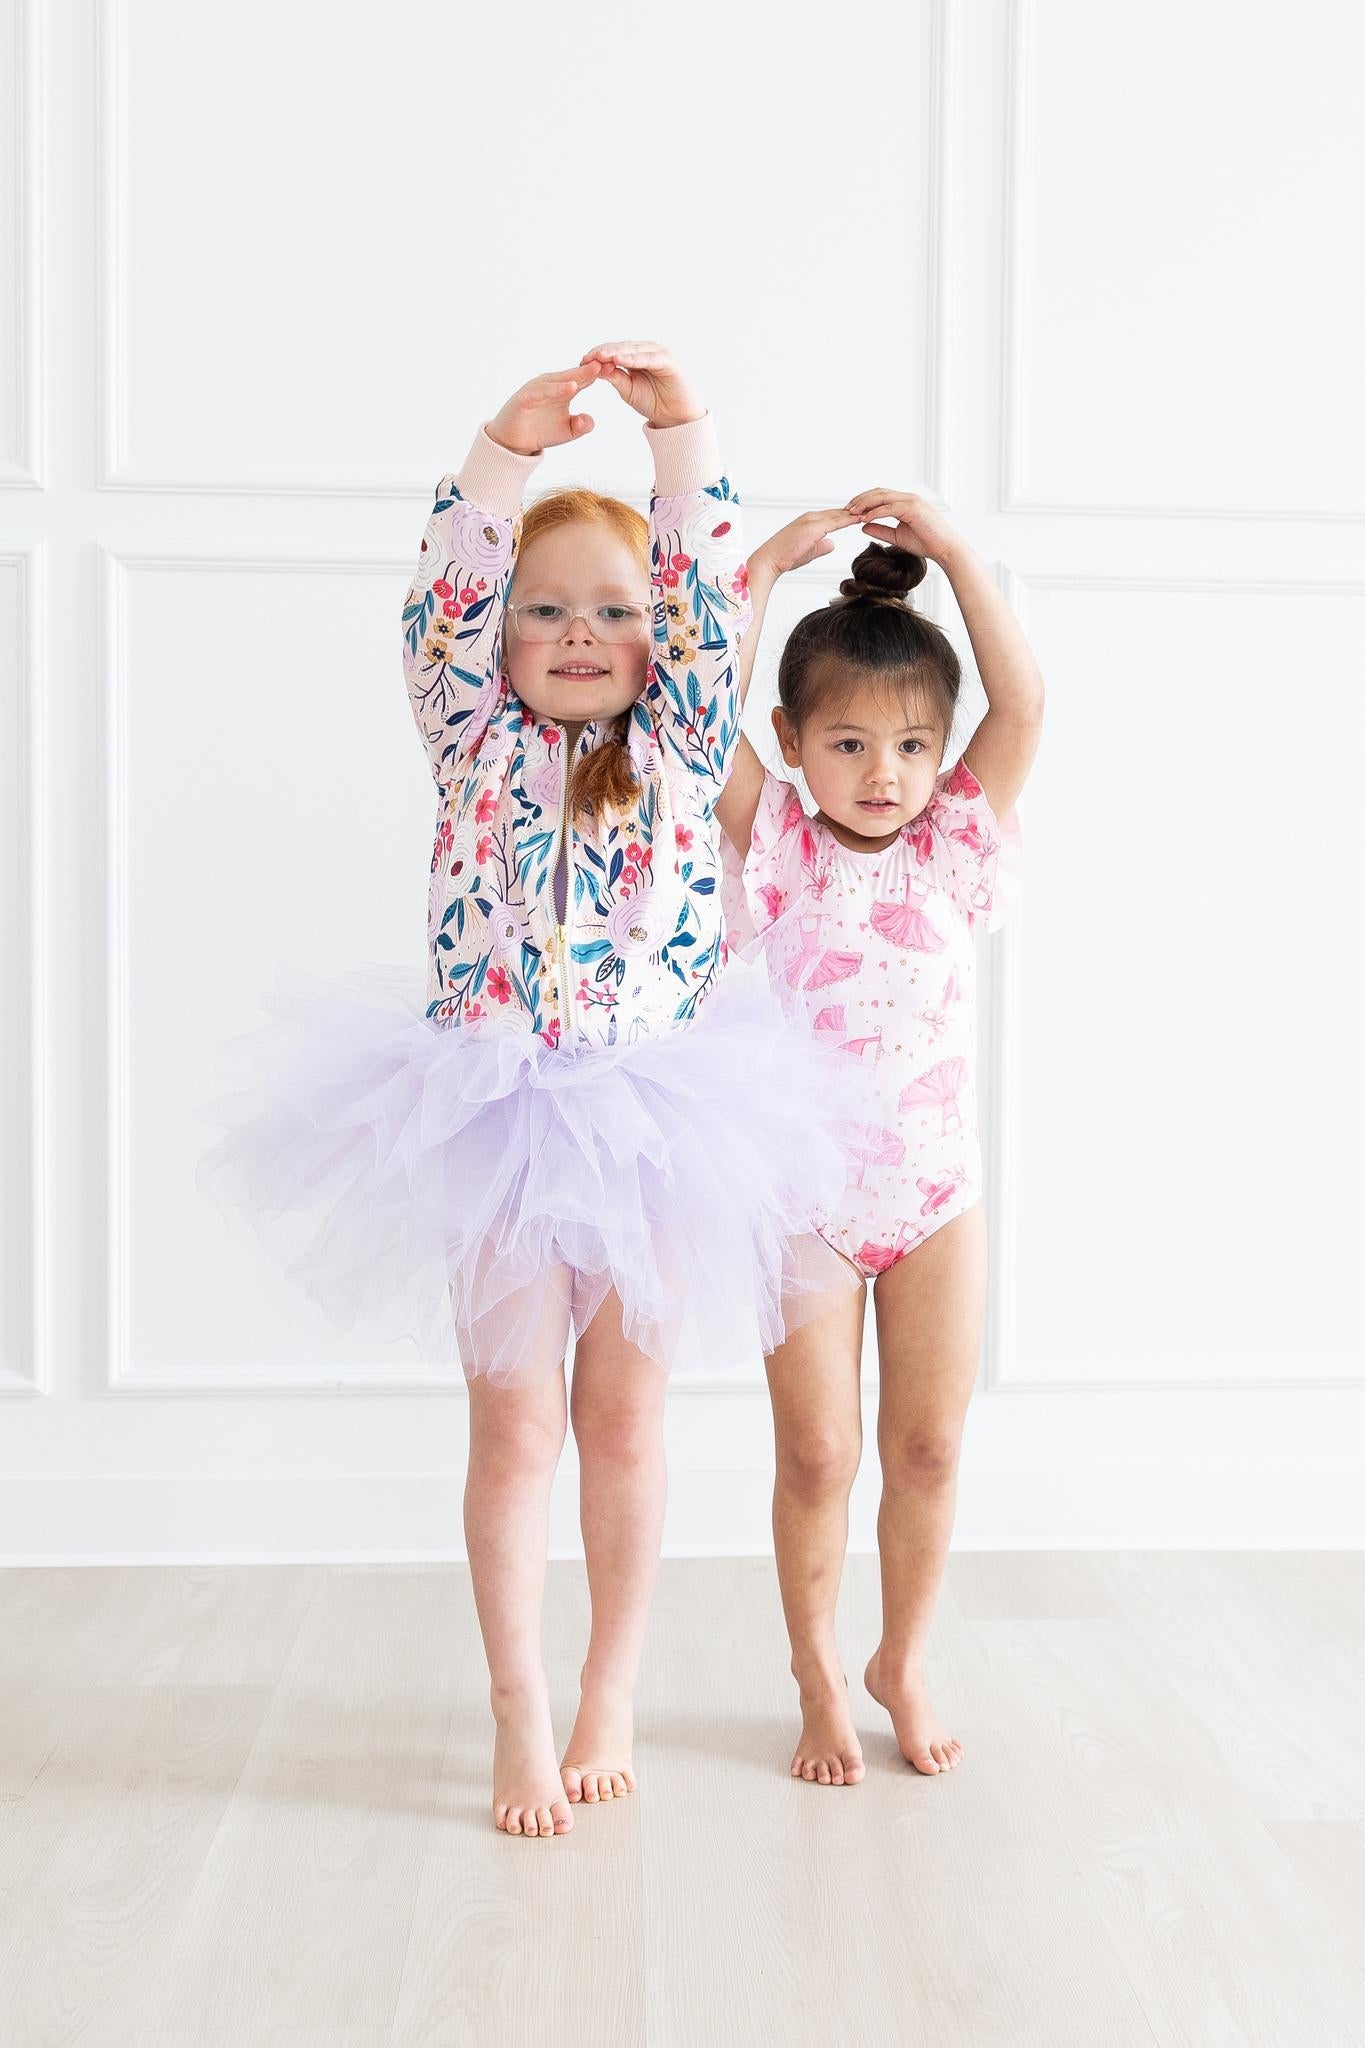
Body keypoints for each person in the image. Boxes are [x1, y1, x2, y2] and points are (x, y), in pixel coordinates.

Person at [197, 343, 856, 1838]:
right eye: (543, 609)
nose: (577, 633)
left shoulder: (686, 738)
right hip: (491, 1112)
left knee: (625, 1425)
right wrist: (499, 452)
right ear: (497, 638)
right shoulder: (471, 737)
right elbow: (440, 597)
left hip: (658, 1116)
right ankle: (516, 1703)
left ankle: (609, 1686)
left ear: (661, 642)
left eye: (611, 614)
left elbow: (703, 587)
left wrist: (679, 435)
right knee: (513, 1430)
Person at [717, 489, 1041, 1782]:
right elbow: (693, 716)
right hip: (798, 1193)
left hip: (932, 1193)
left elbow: (1021, 710)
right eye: (846, 744)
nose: (882, 775)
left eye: (909, 747)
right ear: (792, 743)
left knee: (923, 1447)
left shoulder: (956, 839)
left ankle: (897, 1657)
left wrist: (957, 555)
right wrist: (753, 572)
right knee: (816, 1451)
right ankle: (811, 1673)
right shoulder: (778, 842)